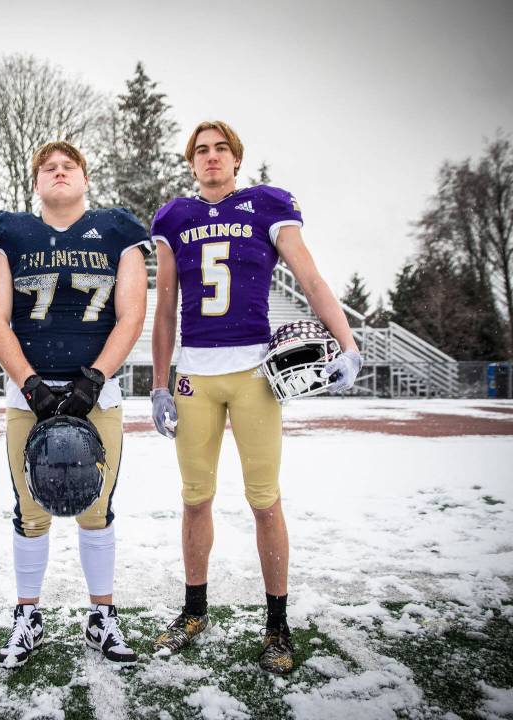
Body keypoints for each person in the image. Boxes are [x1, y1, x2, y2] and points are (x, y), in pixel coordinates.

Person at [149, 121, 362, 674]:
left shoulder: (267, 205)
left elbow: (311, 279)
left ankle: (277, 624)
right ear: (191, 162)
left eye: (221, 149)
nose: (211, 157)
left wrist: (347, 341)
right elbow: (166, 304)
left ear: (236, 159)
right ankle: (194, 610)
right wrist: (157, 382)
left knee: (264, 499)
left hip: (253, 375)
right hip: (196, 373)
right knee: (195, 498)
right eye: (202, 150)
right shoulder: (175, 217)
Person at [0, 141, 150, 668]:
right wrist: (31, 385)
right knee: (32, 511)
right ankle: (27, 616)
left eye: (68, 166)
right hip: (28, 395)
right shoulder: (12, 233)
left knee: (94, 507)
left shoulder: (117, 230)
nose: (59, 172)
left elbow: (132, 314)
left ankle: (102, 616)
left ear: (85, 177)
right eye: (48, 168)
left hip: (96, 393)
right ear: (36, 182)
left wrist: (94, 379)